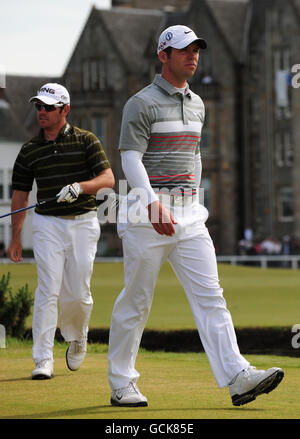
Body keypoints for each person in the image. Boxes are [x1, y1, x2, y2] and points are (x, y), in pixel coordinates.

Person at [107, 25, 284, 407]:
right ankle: (122, 382)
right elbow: (129, 158)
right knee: (136, 301)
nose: (193, 55)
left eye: (197, 50)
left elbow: (195, 156)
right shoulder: (141, 103)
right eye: (185, 50)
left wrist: (195, 202)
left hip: (189, 215)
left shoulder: (199, 103)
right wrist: (153, 203)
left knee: (211, 297)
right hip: (145, 213)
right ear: (163, 55)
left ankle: (237, 376)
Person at [8, 83, 115, 380]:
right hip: (47, 224)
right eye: (38, 107)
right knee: (48, 289)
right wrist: (16, 235)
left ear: (65, 110)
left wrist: (80, 187)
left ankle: (77, 337)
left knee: (79, 292)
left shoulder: (86, 140)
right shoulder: (30, 149)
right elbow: (20, 194)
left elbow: (108, 178)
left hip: (83, 221)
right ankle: (43, 358)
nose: (41, 112)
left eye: (48, 107)